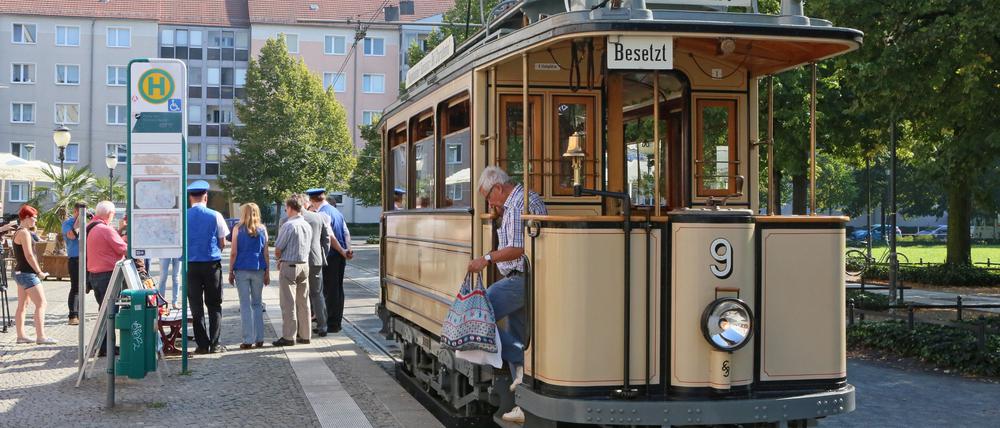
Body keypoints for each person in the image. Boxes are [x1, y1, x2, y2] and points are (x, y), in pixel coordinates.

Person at [466, 166, 547, 424]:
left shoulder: (516, 204)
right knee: (518, 335)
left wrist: (486, 259)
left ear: (499, 188)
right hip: (526, 277)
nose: (490, 204)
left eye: (489, 197)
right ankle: (523, 404)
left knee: (478, 311)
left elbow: (518, 249)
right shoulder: (522, 200)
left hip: (521, 279)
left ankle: (521, 361)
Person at [186, 180, 230, 354]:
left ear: (190, 198)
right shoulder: (215, 215)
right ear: (206, 197)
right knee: (214, 304)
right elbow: (222, 242)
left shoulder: (183, 216)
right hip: (211, 264)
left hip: (190, 265)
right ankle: (215, 343)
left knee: (195, 306)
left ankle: (202, 344)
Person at [87, 201, 128, 355]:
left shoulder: (90, 226)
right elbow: (122, 248)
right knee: (110, 312)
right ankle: (106, 347)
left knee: (103, 310)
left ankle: (103, 345)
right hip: (108, 274)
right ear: (110, 214)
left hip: (94, 275)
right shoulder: (105, 229)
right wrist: (124, 239)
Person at [308, 189, 352, 333]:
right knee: (338, 288)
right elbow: (346, 232)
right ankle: (336, 321)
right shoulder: (336, 212)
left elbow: (330, 236)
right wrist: (347, 250)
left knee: (329, 290)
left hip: (330, 255)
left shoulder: (322, 214)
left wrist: (341, 250)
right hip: (340, 256)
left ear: (312, 201)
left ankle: (331, 323)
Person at [12, 205, 56, 345]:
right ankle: (41, 337)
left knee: (22, 305)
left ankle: (21, 336)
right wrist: (39, 272)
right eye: (34, 218)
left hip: (20, 272)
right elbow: (29, 255)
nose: (35, 221)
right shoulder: (24, 233)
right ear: (26, 217)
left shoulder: (17, 232)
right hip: (28, 273)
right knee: (41, 303)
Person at [228, 203, 270, 349]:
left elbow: (233, 252)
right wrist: (267, 271)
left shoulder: (237, 229)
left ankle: (247, 339)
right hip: (258, 268)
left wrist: (230, 271)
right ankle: (260, 338)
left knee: (245, 304)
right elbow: (266, 253)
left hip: (241, 269)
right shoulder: (263, 229)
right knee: (257, 304)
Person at [273, 196, 312, 346]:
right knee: (304, 302)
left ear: (290, 208)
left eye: (286, 208)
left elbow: (278, 248)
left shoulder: (288, 225)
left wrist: (278, 259)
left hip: (289, 265)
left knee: (288, 302)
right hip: (304, 265)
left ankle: (289, 337)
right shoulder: (307, 225)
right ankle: (306, 335)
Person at [300, 191, 332, 337]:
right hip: (315, 260)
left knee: (300, 295)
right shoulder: (319, 217)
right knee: (317, 294)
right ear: (306, 203)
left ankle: (302, 327)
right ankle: (323, 326)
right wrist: (322, 254)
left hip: (297, 261)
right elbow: (326, 239)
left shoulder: (289, 219)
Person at [62, 202, 88, 325]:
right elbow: (72, 236)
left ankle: (80, 314)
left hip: (88, 258)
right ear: (76, 211)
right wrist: (79, 220)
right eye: (82, 212)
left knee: (85, 288)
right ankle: (73, 316)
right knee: (76, 288)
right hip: (75, 259)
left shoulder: (88, 222)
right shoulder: (68, 223)